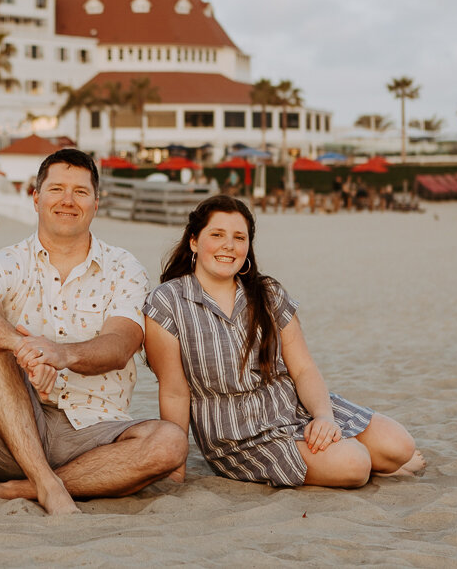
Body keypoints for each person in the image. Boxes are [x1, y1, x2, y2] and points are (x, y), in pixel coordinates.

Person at [0, 148, 187, 515]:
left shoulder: (123, 268)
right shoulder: (10, 261)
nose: (68, 201)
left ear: (96, 203)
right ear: (36, 198)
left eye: (80, 191)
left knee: (170, 443)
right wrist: (23, 346)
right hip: (17, 428)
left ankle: (25, 488)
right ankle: (45, 484)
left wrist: (62, 354)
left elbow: (121, 344)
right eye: (56, 189)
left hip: (95, 434)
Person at [144, 195, 424, 488]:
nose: (229, 245)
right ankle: (365, 464)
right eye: (217, 235)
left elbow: (302, 368)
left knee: (399, 445)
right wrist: (175, 469)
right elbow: (175, 392)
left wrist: (323, 417)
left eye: (239, 237)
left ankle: (370, 461)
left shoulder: (267, 293)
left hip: (293, 406)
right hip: (239, 432)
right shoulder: (167, 302)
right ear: (193, 242)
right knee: (354, 464)